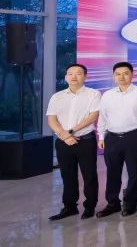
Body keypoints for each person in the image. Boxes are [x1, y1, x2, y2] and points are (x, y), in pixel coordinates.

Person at [46, 64, 102, 221]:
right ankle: (69, 207)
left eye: (78, 73)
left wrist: (71, 131)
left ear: (85, 76)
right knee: (67, 175)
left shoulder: (94, 94)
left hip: (85, 140)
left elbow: (93, 116)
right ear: (66, 77)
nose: (74, 76)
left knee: (89, 175)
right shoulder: (57, 96)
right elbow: (52, 119)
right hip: (63, 141)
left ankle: (90, 206)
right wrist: (64, 136)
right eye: (70, 73)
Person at [95, 62, 137, 217]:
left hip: (134, 136)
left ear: (132, 75)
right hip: (112, 137)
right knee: (112, 172)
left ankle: (130, 203)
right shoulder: (107, 95)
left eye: (125, 73)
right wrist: (101, 136)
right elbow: (103, 117)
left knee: (134, 172)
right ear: (113, 76)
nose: (122, 77)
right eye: (118, 74)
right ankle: (113, 203)